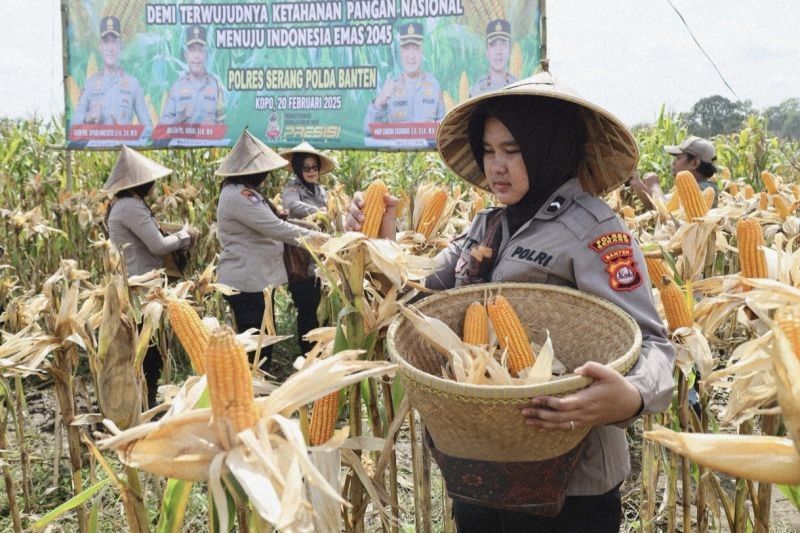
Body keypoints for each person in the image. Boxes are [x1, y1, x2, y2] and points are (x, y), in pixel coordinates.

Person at [349, 68, 675, 531]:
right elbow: (415, 304)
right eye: (487, 151)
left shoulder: (595, 231)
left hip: (570, 482)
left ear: (549, 147)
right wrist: (374, 245)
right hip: (480, 465)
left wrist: (632, 397)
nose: (495, 166)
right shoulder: (485, 227)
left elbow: (654, 344)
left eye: (512, 150)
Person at [216, 130, 326, 370]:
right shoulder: (239, 194)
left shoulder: (243, 191)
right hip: (246, 283)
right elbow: (276, 228)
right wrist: (321, 239)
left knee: (262, 342)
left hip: (256, 281)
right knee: (257, 348)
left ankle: (258, 390)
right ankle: (255, 394)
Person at [103, 146, 196, 407]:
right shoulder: (131, 206)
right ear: (142, 183)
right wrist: (184, 235)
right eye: (152, 181)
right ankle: (148, 405)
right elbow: (158, 246)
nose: (155, 186)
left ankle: (144, 401)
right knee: (150, 350)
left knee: (144, 349)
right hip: (143, 288)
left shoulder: (120, 205)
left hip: (135, 285)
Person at [279, 142, 335, 355]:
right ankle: (307, 352)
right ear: (298, 170)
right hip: (303, 260)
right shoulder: (292, 189)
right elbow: (293, 206)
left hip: (324, 259)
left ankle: (323, 349)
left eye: (315, 167)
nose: (311, 172)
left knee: (324, 307)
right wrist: (322, 212)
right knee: (307, 309)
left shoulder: (322, 190)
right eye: (306, 168)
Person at [72, 16, 152, 137]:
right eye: (106, 41)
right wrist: (88, 117)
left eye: (114, 41)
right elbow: (74, 125)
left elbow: (148, 128)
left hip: (124, 151)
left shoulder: (132, 84)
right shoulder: (90, 85)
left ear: (120, 45)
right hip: (97, 153)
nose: (110, 48)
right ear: (100, 46)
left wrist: (128, 135)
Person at [364, 22, 445, 129]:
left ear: (422, 51)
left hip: (428, 146)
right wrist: (381, 100)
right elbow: (368, 130)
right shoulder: (390, 87)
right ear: (401, 51)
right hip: (398, 146)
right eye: (406, 48)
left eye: (416, 47)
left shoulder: (434, 85)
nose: (411, 55)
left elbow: (444, 127)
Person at [160, 26, 225, 125]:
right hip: (182, 140)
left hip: (208, 140)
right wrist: (180, 117)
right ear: (186, 55)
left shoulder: (215, 86)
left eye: (200, 50)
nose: (196, 56)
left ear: (206, 55)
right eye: (192, 50)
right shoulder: (177, 87)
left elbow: (221, 123)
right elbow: (164, 123)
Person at [469, 19, 518, 98]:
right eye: (493, 44)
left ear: (510, 50)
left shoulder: (518, 88)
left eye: (503, 44)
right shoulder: (477, 90)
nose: (498, 51)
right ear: (487, 52)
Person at [665, 135, 719, 206]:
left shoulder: (703, 189)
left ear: (694, 163)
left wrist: (654, 187)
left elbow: (667, 213)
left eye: (678, 158)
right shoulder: (699, 186)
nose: (674, 163)